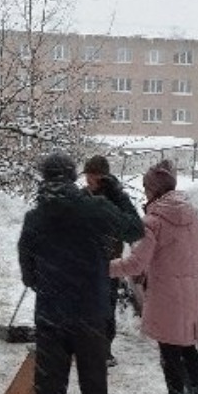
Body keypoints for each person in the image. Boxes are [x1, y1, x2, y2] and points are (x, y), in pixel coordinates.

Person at [18, 152, 144, 394]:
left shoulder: (35, 218)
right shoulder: (96, 209)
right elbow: (134, 230)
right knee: (93, 376)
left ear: (44, 178)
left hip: (51, 311)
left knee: (49, 383)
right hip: (91, 308)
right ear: (74, 177)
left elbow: (27, 272)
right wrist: (115, 193)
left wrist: (49, 283)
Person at [110, 160, 198, 394]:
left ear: (154, 190)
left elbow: (136, 264)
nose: (145, 193)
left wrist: (104, 268)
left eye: (146, 188)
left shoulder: (153, 221)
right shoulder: (193, 213)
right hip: (193, 292)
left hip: (168, 294)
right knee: (190, 348)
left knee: (169, 351)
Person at [81, 154, 126, 367]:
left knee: (106, 306)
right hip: (84, 261)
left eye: (92, 176)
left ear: (102, 177)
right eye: (87, 176)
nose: (88, 180)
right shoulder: (83, 195)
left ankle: (105, 350)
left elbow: (126, 227)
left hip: (109, 262)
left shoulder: (116, 198)